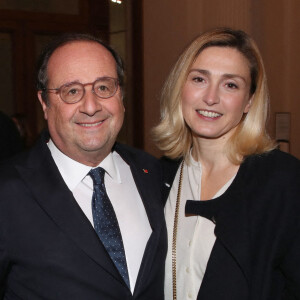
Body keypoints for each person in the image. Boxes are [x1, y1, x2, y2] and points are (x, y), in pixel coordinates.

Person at [0, 33, 166, 299]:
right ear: (44, 102)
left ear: (121, 94)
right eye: (72, 91)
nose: (91, 106)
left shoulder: (152, 173)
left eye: (103, 87)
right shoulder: (7, 192)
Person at [153, 28, 300, 299]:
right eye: (199, 79)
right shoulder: (156, 177)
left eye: (230, 84)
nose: (211, 97)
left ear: (249, 101)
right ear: (180, 88)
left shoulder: (284, 182)